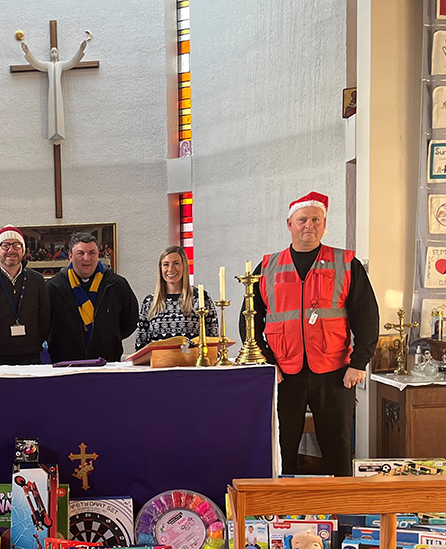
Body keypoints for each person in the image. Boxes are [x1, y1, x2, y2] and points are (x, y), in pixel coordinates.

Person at [244, 191, 379, 476]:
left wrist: (359, 363)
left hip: (334, 370)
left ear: (325, 224)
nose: (309, 225)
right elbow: (249, 320)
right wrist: (268, 363)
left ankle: (339, 509)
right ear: (289, 224)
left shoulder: (346, 263)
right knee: (281, 445)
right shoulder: (268, 267)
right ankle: (281, 510)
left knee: (337, 445)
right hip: (284, 372)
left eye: (316, 219)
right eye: (302, 219)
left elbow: (366, 316)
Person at [47, 231, 138, 363]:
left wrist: (109, 337)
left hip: (108, 362)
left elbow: (130, 319)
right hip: (65, 363)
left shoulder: (117, 284)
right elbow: (44, 324)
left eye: (92, 253)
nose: (86, 258)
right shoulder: (54, 287)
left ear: (98, 255)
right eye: (80, 253)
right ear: (70, 256)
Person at [0, 226, 51, 365]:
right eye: (5, 246)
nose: (11, 250)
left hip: (30, 359)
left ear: (23, 250)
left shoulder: (37, 280)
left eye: (16, 245)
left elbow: (45, 319)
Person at [135, 245, 218, 349]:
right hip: (159, 364)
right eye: (166, 264)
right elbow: (140, 344)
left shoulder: (200, 298)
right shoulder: (150, 302)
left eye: (176, 263)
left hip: (192, 363)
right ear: (160, 268)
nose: (171, 269)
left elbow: (213, 339)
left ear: (184, 266)